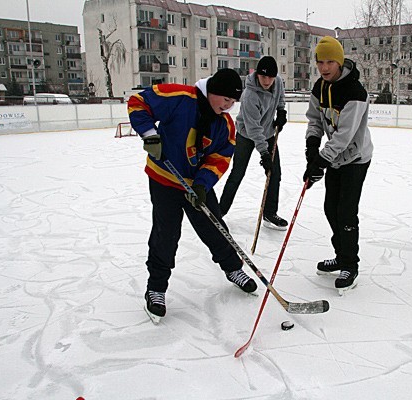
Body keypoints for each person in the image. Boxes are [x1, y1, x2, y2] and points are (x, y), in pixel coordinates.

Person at [127, 68, 258, 324]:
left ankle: (233, 269)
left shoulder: (225, 124)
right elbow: (138, 101)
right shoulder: (179, 97)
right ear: (213, 92)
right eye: (226, 100)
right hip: (164, 179)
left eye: (233, 103)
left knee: (216, 228)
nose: (229, 107)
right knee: (166, 234)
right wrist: (149, 135)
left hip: (195, 186)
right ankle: (156, 288)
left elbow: (220, 158)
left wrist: (202, 184)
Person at [302, 36, 373, 294]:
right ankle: (341, 256)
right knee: (331, 209)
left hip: (355, 158)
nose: (324, 67)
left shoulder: (355, 92)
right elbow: (314, 120)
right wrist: (312, 148)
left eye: (330, 61)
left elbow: (345, 135)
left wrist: (321, 160)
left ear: (340, 62)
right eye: (320, 62)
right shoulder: (319, 87)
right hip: (334, 159)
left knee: (345, 211)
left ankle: (350, 264)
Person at [219, 56, 288, 230]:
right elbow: (254, 129)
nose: (267, 81)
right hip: (247, 135)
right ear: (257, 74)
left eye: (270, 77)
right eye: (263, 77)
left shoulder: (277, 82)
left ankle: (269, 213)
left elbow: (280, 98)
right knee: (237, 173)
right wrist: (264, 153)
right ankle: (219, 212)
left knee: (274, 174)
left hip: (269, 132)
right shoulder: (250, 95)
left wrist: (281, 111)